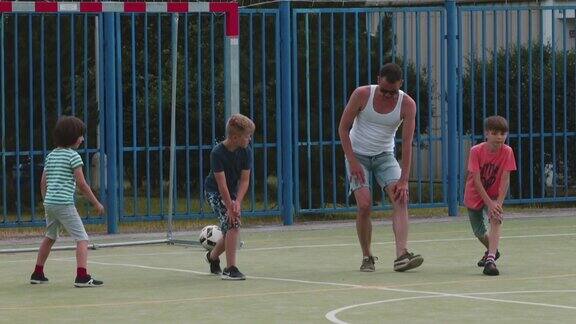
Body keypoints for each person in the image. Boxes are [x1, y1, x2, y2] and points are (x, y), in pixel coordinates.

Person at [338, 63, 423, 272]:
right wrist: (353, 161)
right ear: (378, 80)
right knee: (365, 204)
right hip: (357, 155)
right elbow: (343, 128)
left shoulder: (407, 104)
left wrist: (404, 180)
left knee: (401, 198)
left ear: (400, 85)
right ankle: (367, 256)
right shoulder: (362, 95)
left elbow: (407, 141)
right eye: (384, 90)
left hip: (385, 156)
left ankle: (401, 255)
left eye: (392, 92)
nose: (387, 95)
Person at [30, 115, 105, 287]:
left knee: (49, 236)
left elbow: (43, 182)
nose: (83, 139)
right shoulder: (74, 157)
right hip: (64, 203)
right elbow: (82, 184)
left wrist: (46, 201)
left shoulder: (51, 156)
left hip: (50, 203)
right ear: (72, 137)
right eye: (80, 135)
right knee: (82, 238)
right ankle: (82, 276)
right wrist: (96, 203)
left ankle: (37, 273)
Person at [204, 114, 255, 280]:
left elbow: (245, 180)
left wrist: (237, 202)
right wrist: (230, 208)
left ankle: (212, 257)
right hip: (215, 191)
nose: (249, 139)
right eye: (247, 136)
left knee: (228, 232)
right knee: (233, 224)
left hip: (232, 193)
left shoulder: (246, 151)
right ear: (235, 137)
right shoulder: (217, 153)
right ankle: (230, 269)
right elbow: (221, 185)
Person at [464, 115, 516, 276]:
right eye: (494, 133)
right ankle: (492, 250)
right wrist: (490, 203)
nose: (499, 137)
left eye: (502, 133)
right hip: (475, 194)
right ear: (486, 134)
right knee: (479, 232)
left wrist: (497, 204)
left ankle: (490, 260)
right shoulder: (476, 151)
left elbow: (505, 179)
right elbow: (477, 181)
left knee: (496, 218)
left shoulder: (507, 151)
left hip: (494, 195)